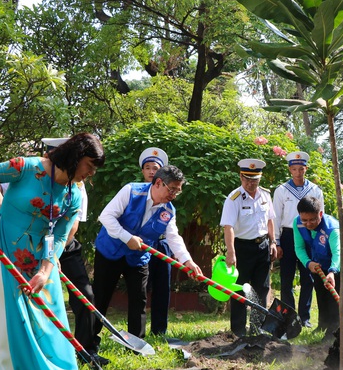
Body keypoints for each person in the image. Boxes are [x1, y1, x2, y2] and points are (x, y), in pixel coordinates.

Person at [0, 133, 104, 370]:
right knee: (12, 315)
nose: (90, 173)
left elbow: (63, 235)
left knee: (50, 316)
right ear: (75, 156)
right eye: (89, 165)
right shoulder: (26, 166)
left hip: (39, 258)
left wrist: (45, 271)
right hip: (5, 248)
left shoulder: (74, 192)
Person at [92, 164, 203, 346]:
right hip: (110, 251)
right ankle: (89, 344)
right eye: (172, 189)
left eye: (178, 191)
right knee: (100, 298)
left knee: (139, 300)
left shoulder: (168, 211)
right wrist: (127, 237)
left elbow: (173, 236)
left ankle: (136, 345)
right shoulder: (131, 191)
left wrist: (187, 261)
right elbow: (106, 217)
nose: (174, 195)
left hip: (138, 258)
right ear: (158, 182)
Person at [220, 158, 278, 337]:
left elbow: (269, 220)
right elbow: (228, 226)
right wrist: (231, 251)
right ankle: (238, 330)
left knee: (262, 288)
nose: (251, 184)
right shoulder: (234, 198)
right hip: (242, 248)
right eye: (247, 179)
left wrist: (273, 242)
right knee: (239, 289)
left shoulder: (265, 195)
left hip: (262, 246)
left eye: (255, 180)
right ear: (241, 177)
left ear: (260, 179)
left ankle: (257, 329)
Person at [272, 151, 324, 328]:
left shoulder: (315, 190)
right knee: (286, 278)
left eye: (301, 169)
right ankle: (289, 316)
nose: (298, 172)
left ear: (306, 169)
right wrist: (277, 242)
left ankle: (305, 317)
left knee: (307, 277)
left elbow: (321, 217)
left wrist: (318, 241)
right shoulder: (281, 190)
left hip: (309, 234)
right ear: (290, 170)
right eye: (294, 169)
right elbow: (276, 218)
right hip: (287, 235)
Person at [293, 196, 343, 337]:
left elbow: (337, 253)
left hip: (341, 254)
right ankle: (323, 324)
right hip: (318, 256)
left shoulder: (332, 229)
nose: (308, 224)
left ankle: (333, 331)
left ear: (320, 214)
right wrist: (308, 263)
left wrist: (333, 271)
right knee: (320, 289)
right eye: (305, 220)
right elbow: (299, 248)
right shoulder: (297, 224)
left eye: (312, 220)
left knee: (333, 291)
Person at [137, 147, 174, 336]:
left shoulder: (168, 198)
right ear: (143, 171)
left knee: (162, 288)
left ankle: (159, 331)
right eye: (148, 168)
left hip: (162, 245)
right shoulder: (136, 194)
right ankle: (138, 331)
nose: (151, 171)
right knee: (141, 288)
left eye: (156, 168)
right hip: (142, 246)